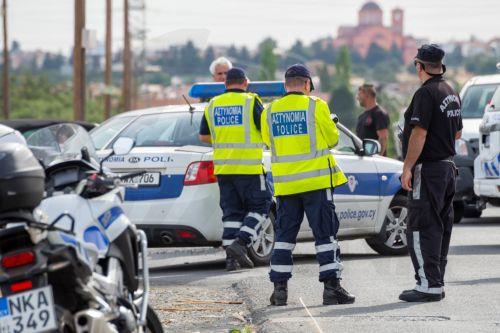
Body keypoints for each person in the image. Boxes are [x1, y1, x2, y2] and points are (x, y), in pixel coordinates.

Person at [261, 64, 355, 306]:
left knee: (283, 238)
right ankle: (331, 289)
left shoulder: (269, 111)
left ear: (285, 85)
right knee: (325, 236)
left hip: (286, 187)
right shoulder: (316, 106)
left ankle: (279, 291)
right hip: (316, 183)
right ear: (307, 84)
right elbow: (333, 139)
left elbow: (267, 142)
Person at [399, 44, 462, 302]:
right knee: (441, 225)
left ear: (419, 66)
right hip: (448, 168)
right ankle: (436, 281)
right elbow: (456, 132)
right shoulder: (451, 92)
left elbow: (420, 132)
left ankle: (427, 284)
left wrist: (407, 167)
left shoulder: (425, 94)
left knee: (422, 226)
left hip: (429, 169)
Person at [199, 67, 272, 271]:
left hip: (224, 169)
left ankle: (231, 260)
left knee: (231, 214)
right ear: (245, 82)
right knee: (261, 206)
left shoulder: (213, 104)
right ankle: (241, 243)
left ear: (225, 84)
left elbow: (203, 136)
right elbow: (265, 129)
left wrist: (225, 137)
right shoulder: (251, 101)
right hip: (248, 167)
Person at [356, 84, 390, 155]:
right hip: (364, 159)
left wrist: (377, 158)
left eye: (359, 94)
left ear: (367, 95)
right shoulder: (361, 116)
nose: (357, 98)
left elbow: (383, 138)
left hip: (374, 162)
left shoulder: (379, 114)